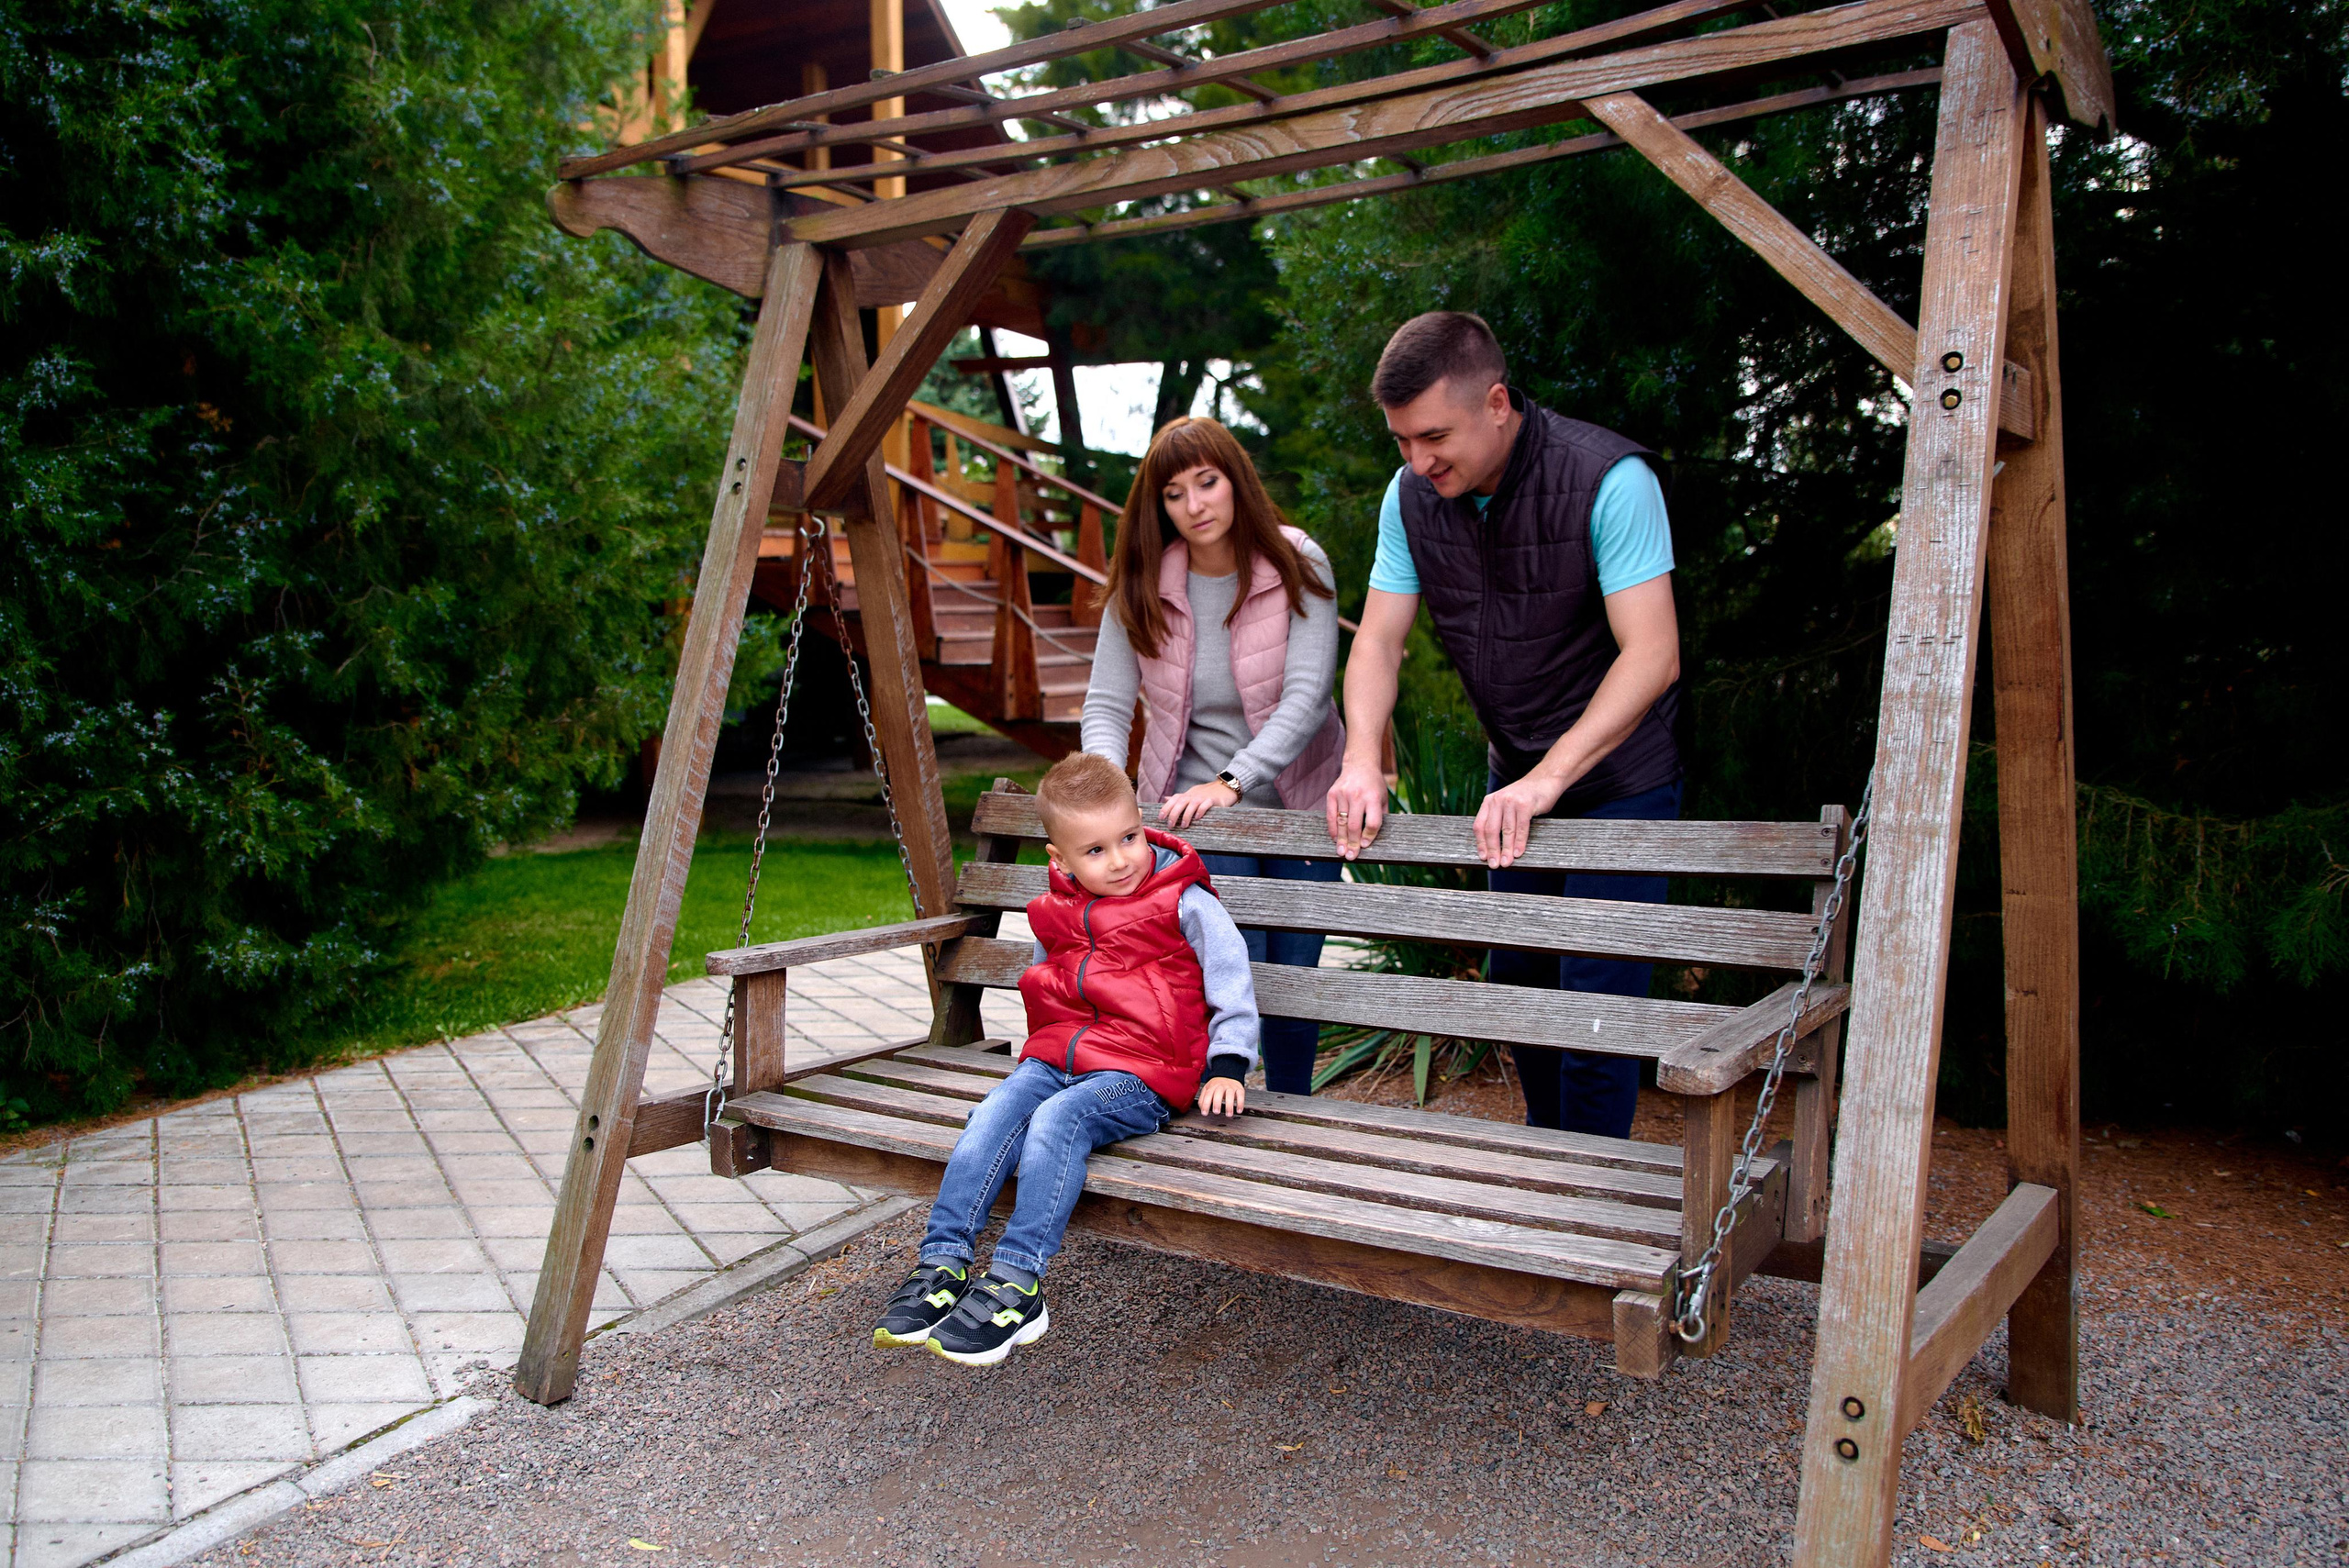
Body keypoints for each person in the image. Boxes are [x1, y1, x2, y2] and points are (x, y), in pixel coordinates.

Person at [1325, 312, 1683, 1140]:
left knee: (1593, 1011)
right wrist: (1358, 758)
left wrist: (1549, 779)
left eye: (1434, 436)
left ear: (1495, 402)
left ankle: (1587, 1218)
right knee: (1519, 989)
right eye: (1402, 441)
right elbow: (1378, 640)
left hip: (1620, 780)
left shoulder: (1611, 478)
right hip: (1514, 776)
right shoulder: (1411, 495)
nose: (1419, 460)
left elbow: (1653, 654)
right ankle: (1548, 1177)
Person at [870, 751, 1261, 1366]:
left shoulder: (1180, 900)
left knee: (1058, 1122)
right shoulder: (1054, 908)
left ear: (1141, 820)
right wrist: (1045, 1050)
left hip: (1144, 1071)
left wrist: (1229, 1061)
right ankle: (942, 1263)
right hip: (1060, 1059)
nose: (1122, 858)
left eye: (1129, 837)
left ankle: (1018, 1283)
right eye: (1097, 850)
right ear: (1061, 859)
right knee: (994, 1115)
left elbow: (1230, 972)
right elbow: (1047, 979)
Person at [1080, 416, 1345, 1096]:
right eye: (1174, 493)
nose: (1194, 505)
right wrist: (1105, 797)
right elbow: (1107, 707)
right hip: (1196, 819)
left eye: (1207, 482)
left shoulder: (1297, 561)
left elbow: (1310, 694)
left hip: (1299, 809)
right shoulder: (1141, 583)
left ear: (1236, 481)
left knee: (1295, 991)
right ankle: (1222, 1121)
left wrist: (1235, 778)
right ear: (1157, 505)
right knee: (1233, 976)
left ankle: (1290, 1119)